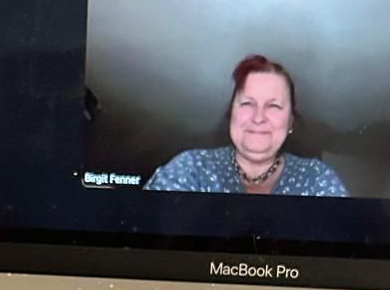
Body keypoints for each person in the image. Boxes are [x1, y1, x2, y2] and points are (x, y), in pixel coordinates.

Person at [145, 56, 349, 195]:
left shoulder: (316, 178)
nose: (258, 118)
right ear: (231, 113)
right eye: (247, 104)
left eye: (273, 106)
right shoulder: (191, 168)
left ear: (290, 122)